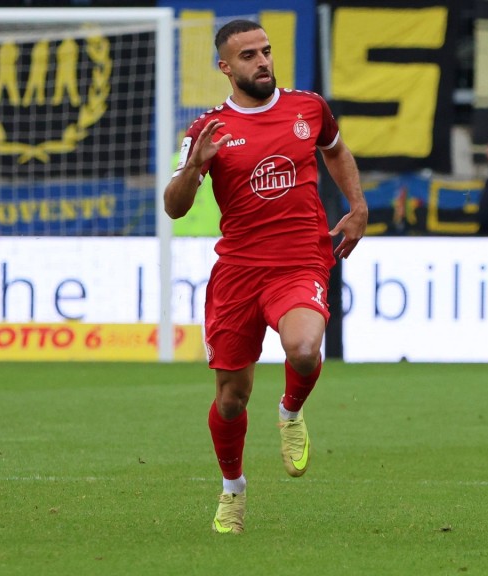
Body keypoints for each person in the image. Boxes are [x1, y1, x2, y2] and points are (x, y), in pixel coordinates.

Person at [163, 19, 367, 534]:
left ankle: (291, 411)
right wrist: (194, 168)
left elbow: (336, 151)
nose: (263, 62)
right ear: (226, 67)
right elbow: (173, 208)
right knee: (231, 399)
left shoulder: (308, 107)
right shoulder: (207, 130)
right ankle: (233, 489)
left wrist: (358, 206)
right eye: (249, 55)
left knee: (303, 348)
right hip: (237, 272)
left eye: (267, 51)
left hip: (299, 259)